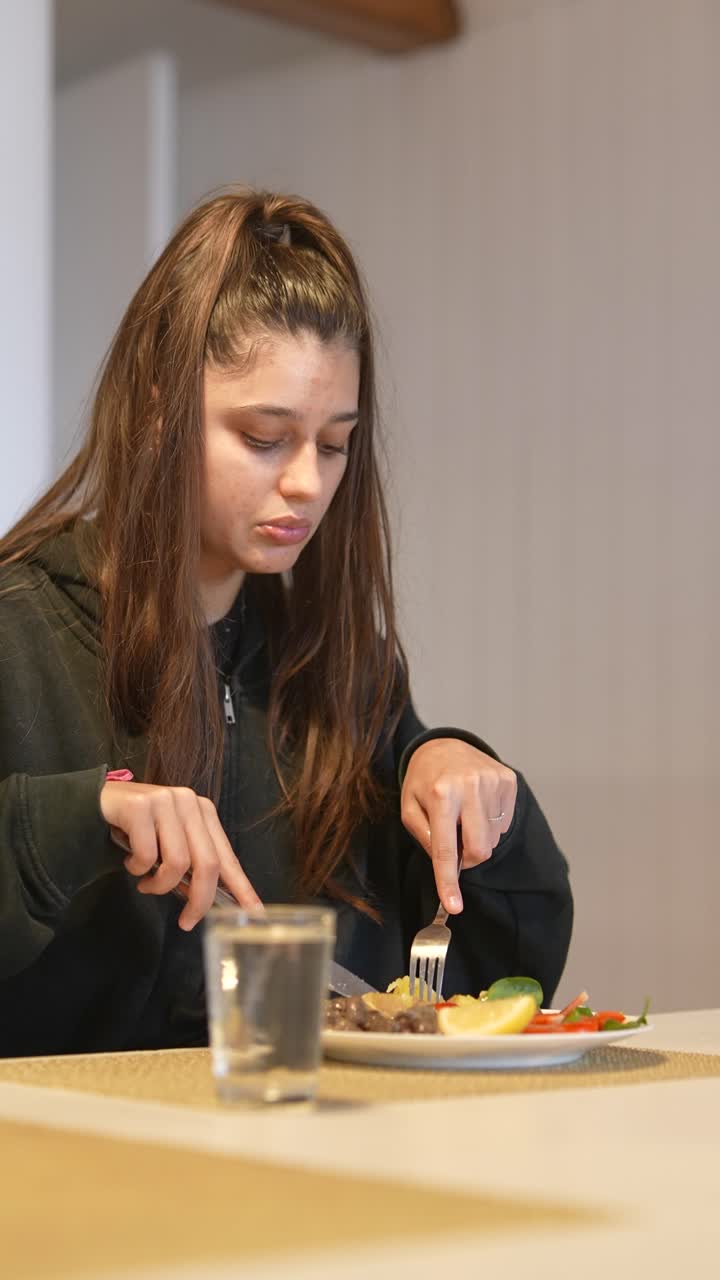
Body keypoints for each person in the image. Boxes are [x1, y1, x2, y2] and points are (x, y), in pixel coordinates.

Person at [0, 190, 572, 1057]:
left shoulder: (350, 674)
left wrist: (467, 786)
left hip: (301, 1169)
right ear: (157, 410)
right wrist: (82, 816)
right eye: (264, 437)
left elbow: (495, 988)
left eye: (334, 443)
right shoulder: (20, 634)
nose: (307, 482)